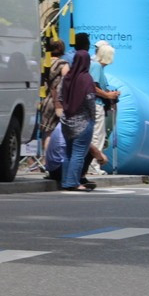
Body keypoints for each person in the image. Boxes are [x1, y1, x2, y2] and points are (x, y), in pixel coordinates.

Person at [54, 49, 95, 191]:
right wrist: (93, 117)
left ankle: (66, 181)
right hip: (83, 120)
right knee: (78, 153)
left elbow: (59, 96)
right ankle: (73, 182)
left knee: (68, 153)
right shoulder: (86, 78)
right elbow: (90, 100)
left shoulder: (67, 77)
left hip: (66, 121)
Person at [88, 40, 120, 174]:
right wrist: (108, 95)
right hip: (97, 104)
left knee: (96, 135)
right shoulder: (96, 67)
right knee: (97, 135)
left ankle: (92, 165)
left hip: (95, 103)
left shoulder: (94, 65)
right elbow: (93, 87)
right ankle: (94, 166)